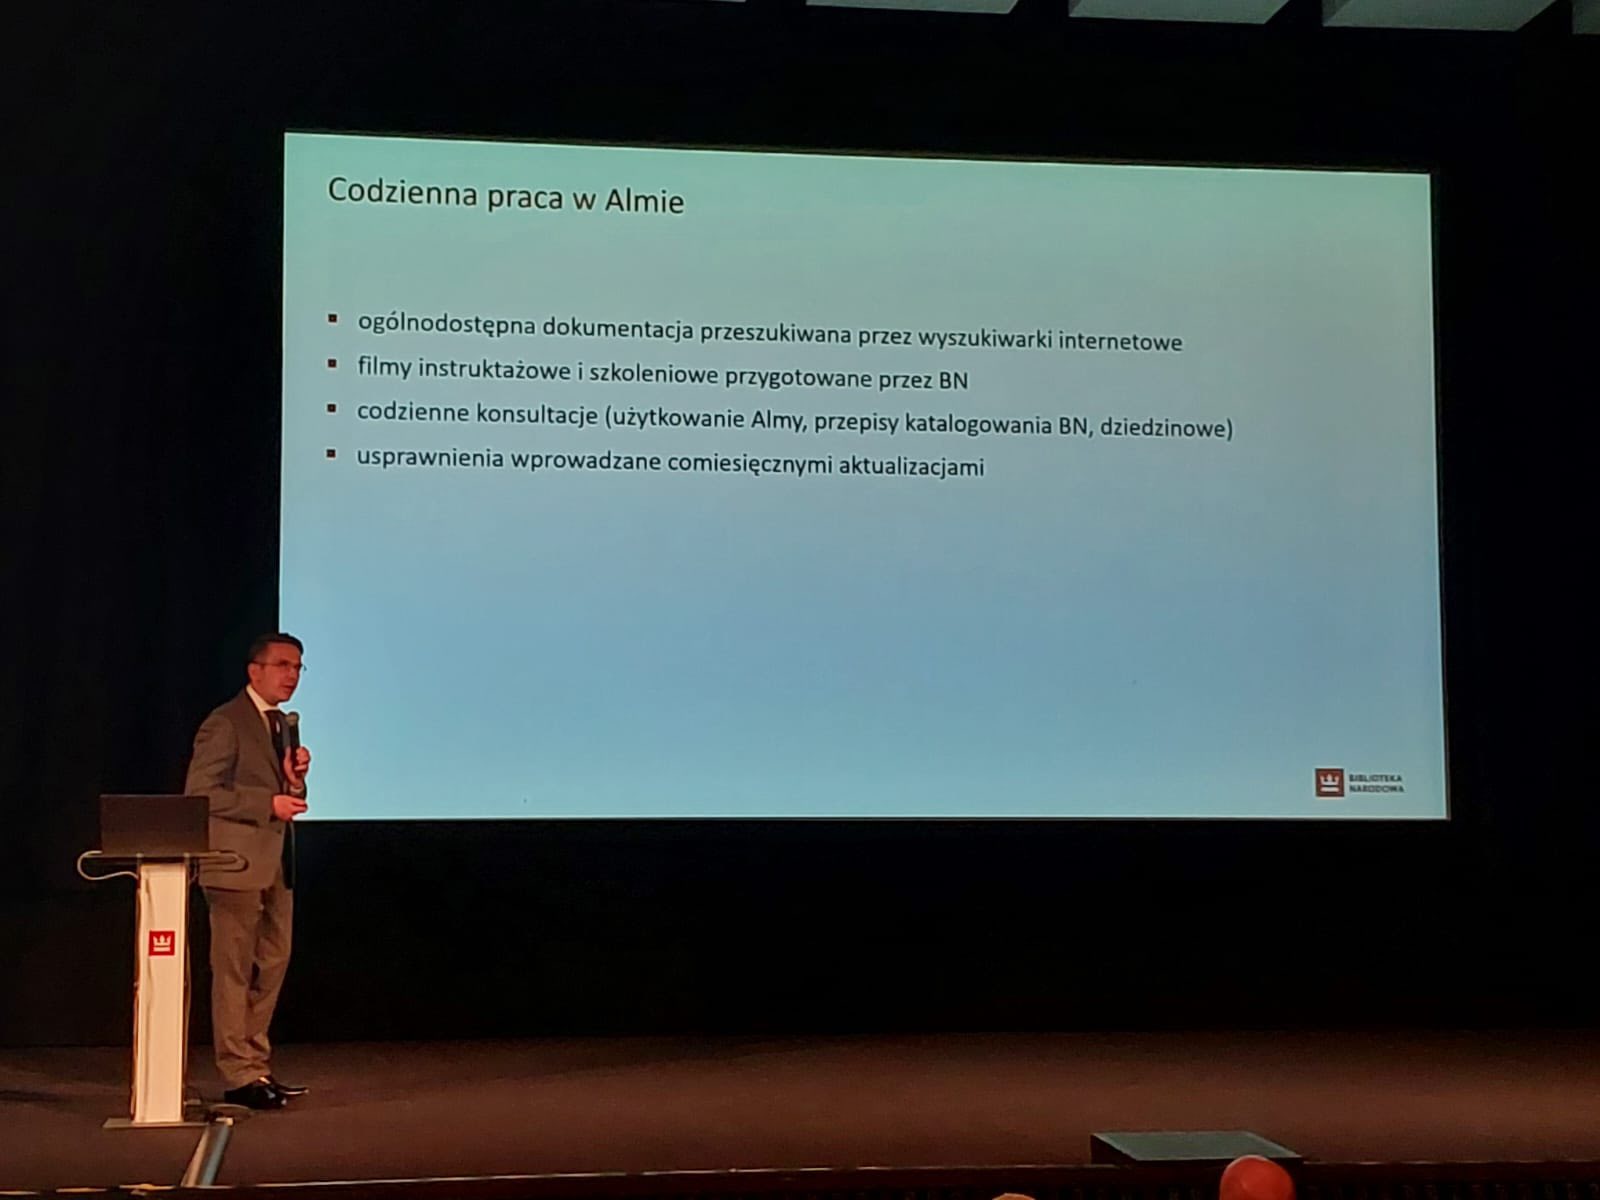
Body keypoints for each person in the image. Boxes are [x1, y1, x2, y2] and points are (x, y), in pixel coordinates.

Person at [184, 632, 312, 1110]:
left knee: (273, 963)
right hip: (234, 865)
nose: (292, 676)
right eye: (283, 665)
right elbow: (201, 793)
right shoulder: (226, 722)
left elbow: (280, 793)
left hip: (276, 862)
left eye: (298, 667)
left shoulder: (280, 724)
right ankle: (238, 1072)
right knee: (234, 970)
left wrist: (295, 780)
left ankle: (256, 1065)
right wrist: (267, 803)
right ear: (254, 670)